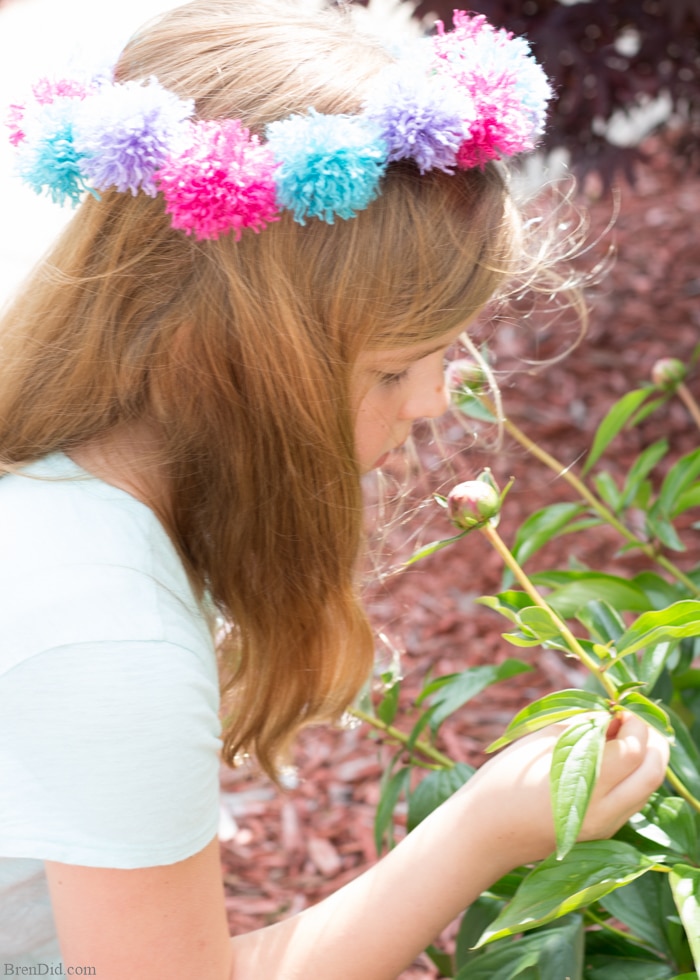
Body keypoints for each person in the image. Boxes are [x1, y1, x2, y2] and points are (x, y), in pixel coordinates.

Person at [0, 1, 669, 977]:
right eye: (396, 367)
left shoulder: (62, 481)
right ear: (231, 368)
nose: (439, 399)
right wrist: (478, 831)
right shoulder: (112, 635)